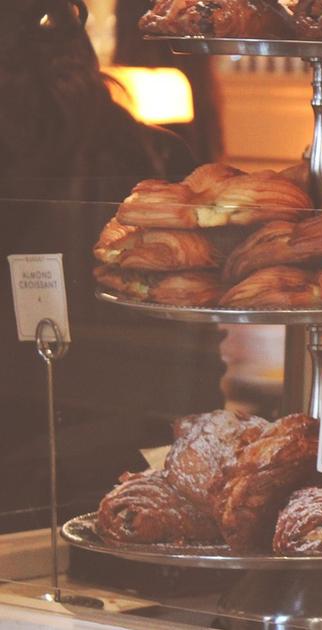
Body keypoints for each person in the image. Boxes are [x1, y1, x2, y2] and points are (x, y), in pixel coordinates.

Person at [0, 0, 223, 533]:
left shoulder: (144, 164)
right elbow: (197, 351)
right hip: (141, 461)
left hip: (27, 464)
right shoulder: (159, 159)